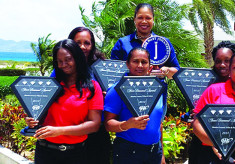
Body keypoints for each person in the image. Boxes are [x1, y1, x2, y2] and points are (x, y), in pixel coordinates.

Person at [25, 39, 103, 164]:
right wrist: (31, 121)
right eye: (59, 61)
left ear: (78, 58)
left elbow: (94, 125)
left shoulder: (92, 88)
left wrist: (60, 131)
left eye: (68, 59)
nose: (63, 64)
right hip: (45, 153)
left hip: (76, 154)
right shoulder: (49, 86)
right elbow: (38, 116)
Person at [50, 27, 111, 164]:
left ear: (92, 45)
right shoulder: (60, 70)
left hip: (97, 131)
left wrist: (108, 97)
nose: (82, 47)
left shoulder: (103, 68)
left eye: (87, 43)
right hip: (71, 132)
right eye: (78, 43)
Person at [104, 47, 165, 164]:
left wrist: (161, 153)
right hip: (128, 152)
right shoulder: (117, 89)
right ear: (127, 64)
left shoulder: (157, 88)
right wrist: (127, 124)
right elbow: (108, 124)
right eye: (135, 61)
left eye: (144, 62)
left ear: (150, 67)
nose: (140, 65)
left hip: (154, 152)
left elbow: (159, 123)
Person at [188, 41, 235, 163]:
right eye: (218, 61)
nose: (222, 65)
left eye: (227, 60)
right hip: (202, 147)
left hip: (233, 147)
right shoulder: (203, 83)